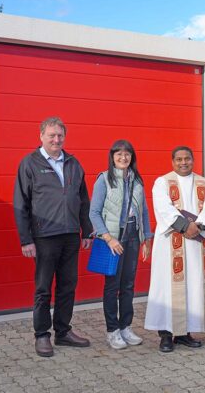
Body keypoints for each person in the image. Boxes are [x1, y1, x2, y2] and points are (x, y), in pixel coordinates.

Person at [13, 116, 93, 357]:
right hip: (44, 236)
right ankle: (41, 335)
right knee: (43, 288)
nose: (56, 139)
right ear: (41, 136)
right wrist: (26, 239)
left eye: (60, 135)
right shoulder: (29, 163)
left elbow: (83, 200)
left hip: (70, 235)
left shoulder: (73, 163)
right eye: (52, 135)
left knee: (68, 285)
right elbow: (21, 204)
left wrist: (86, 230)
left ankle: (63, 331)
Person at [144, 146, 205, 352]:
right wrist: (186, 226)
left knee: (192, 287)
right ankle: (166, 334)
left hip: (195, 244)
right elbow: (163, 208)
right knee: (168, 288)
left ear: (193, 160)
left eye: (187, 159)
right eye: (179, 159)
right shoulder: (163, 182)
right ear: (172, 161)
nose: (183, 162)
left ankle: (185, 333)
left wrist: (198, 227)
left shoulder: (203, 182)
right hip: (171, 245)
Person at [89, 140, 154, 350]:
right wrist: (108, 238)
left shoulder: (137, 180)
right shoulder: (104, 180)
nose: (123, 158)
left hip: (134, 236)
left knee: (128, 284)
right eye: (119, 154)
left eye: (127, 154)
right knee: (112, 286)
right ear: (112, 157)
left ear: (132, 157)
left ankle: (126, 326)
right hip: (114, 239)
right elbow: (94, 213)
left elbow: (143, 210)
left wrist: (147, 238)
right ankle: (112, 331)